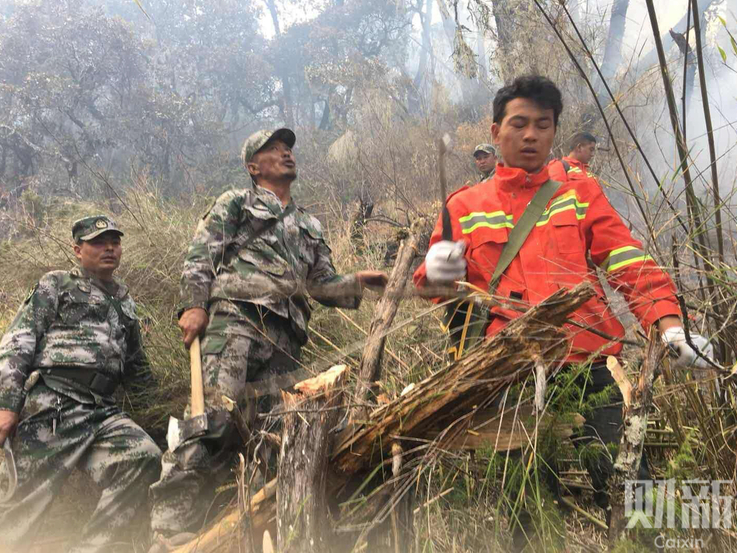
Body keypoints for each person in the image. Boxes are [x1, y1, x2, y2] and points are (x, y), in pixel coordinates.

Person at [413, 76, 713, 527]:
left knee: (635, 499)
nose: (530, 134)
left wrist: (670, 325)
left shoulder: (577, 191)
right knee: (526, 512)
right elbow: (438, 289)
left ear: (554, 132)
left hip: (587, 363)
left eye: (542, 124)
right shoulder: (463, 205)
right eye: (518, 124)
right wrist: (436, 274)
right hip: (506, 375)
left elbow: (626, 260)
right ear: (496, 132)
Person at [149, 128, 388, 549]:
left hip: (284, 342)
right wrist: (193, 305)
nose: (285, 153)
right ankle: (169, 534)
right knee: (209, 426)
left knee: (274, 438)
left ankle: (260, 531)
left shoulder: (308, 224)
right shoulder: (235, 203)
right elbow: (200, 255)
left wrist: (358, 282)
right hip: (234, 325)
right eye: (273, 149)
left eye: (289, 148)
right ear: (253, 167)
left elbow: (322, 285)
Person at [0, 215, 161, 553]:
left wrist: (169, 408)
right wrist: (7, 404)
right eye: (99, 242)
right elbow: (18, 343)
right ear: (77, 249)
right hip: (53, 405)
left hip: (102, 411)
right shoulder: (57, 285)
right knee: (20, 506)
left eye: (114, 241)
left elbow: (136, 367)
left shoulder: (125, 302)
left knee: (143, 456)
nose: (110, 248)